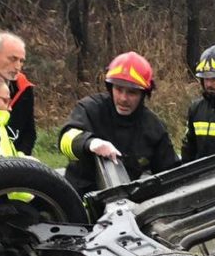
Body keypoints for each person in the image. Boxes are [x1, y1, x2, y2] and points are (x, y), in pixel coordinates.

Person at [58, 51, 179, 195]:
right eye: (118, 89)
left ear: (144, 94)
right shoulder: (90, 109)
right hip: (78, 200)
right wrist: (90, 143)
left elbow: (172, 176)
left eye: (132, 92)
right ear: (110, 88)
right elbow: (65, 139)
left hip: (121, 207)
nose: (123, 98)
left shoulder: (153, 128)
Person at [0, 32, 36, 154]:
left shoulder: (25, 88)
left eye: (21, 61)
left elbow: (29, 133)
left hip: (14, 165)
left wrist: (18, 163)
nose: (17, 67)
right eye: (13, 59)